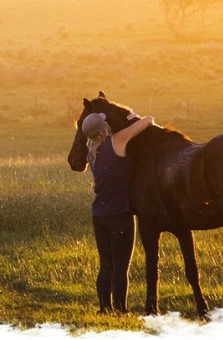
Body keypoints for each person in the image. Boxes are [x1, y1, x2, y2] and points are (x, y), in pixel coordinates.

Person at [80, 110, 153, 315]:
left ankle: (105, 308)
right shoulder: (117, 141)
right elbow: (148, 121)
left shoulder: (91, 152)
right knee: (121, 266)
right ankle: (121, 309)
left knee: (106, 264)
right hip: (120, 214)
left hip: (99, 215)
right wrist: (132, 115)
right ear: (104, 128)